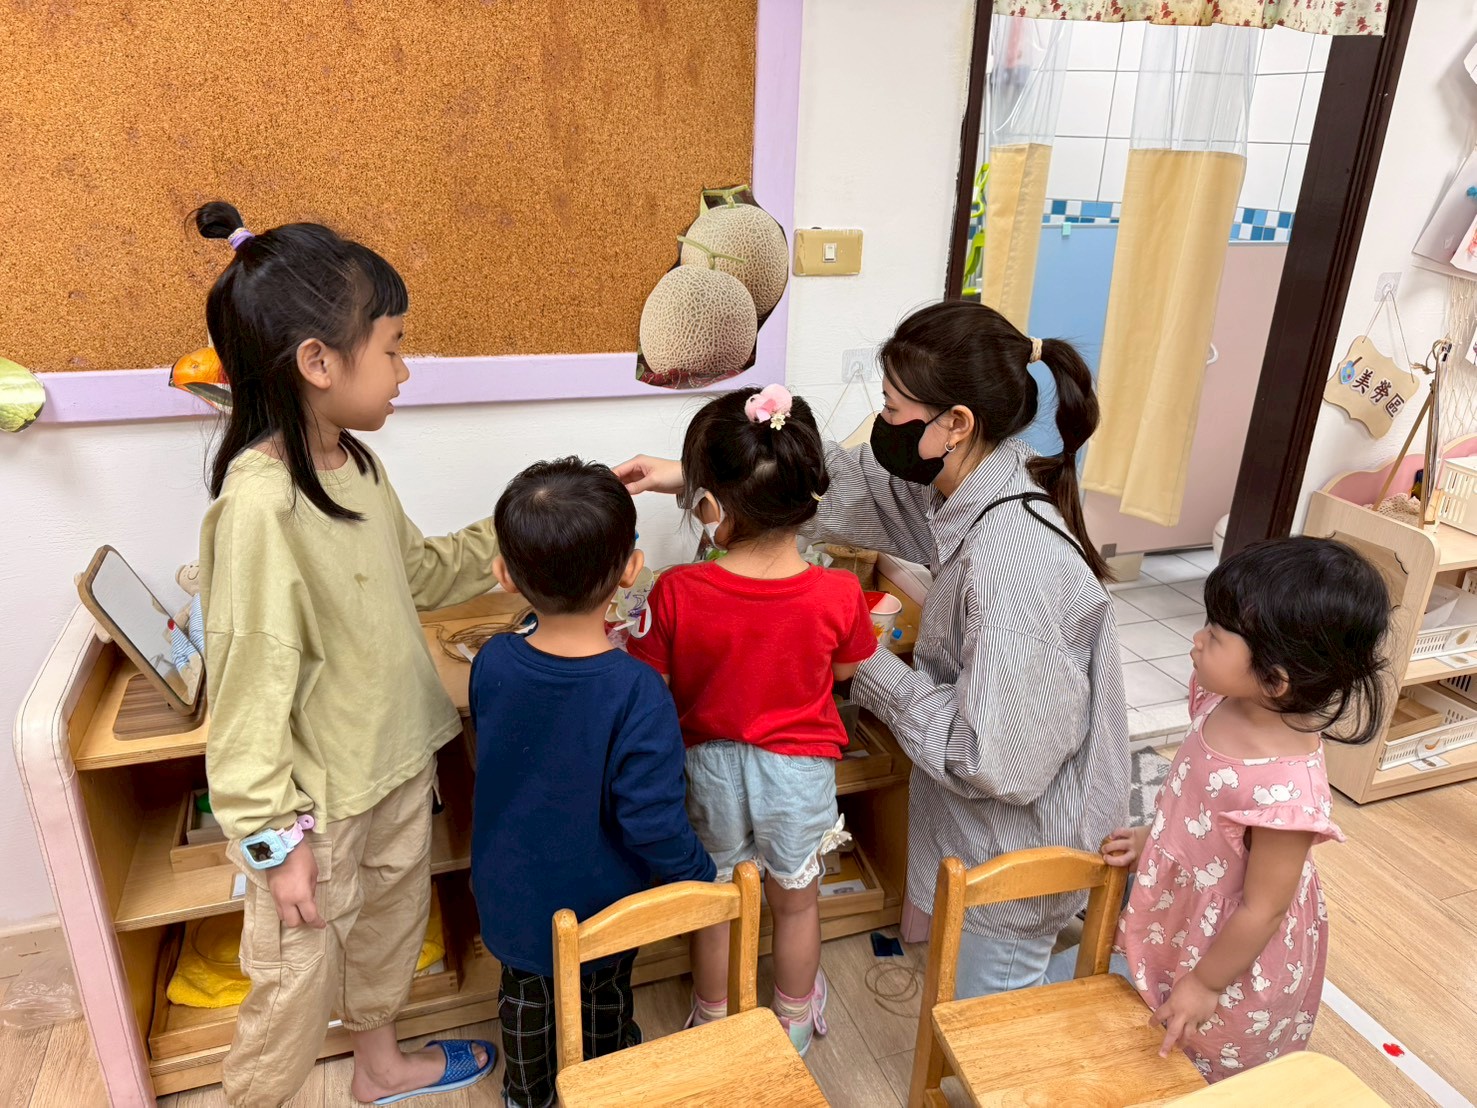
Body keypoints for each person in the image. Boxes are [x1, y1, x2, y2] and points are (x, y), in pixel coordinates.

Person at [617, 301, 1129, 997]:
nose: (880, 425)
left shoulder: (1014, 566)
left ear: (955, 424)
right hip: (948, 833)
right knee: (805, 904)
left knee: (988, 1031)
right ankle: (799, 1011)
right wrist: (701, 473)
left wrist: (864, 656)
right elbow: (850, 484)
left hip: (1015, 859)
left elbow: (998, 761)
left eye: (890, 408)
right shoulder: (964, 491)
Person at [195, 201, 497, 1106]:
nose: (405, 370)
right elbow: (246, 695)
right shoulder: (258, 506)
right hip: (317, 811)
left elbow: (419, 573)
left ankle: (379, 1067)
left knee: (385, 941)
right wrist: (273, 842)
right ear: (318, 362)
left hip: (397, 761)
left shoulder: (355, 465)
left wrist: (522, 531)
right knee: (293, 986)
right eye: (394, 347)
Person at [627, 385, 877, 1052]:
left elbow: (649, 682)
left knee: (717, 901)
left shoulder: (676, 590)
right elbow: (844, 673)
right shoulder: (839, 592)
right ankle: (792, 1018)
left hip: (707, 767)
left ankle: (713, 1015)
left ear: (710, 507)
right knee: (795, 902)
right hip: (798, 772)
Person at [469, 457, 715, 1108]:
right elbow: (651, 818)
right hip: (603, 906)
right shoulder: (638, 691)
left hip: (510, 894)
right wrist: (698, 875)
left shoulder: (492, 662)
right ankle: (604, 1086)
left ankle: (526, 1094)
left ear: (504, 574)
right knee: (603, 1001)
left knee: (525, 1000)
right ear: (632, 570)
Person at [1095, 537, 1387, 1081]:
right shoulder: (1219, 700)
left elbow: (1263, 910)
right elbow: (1193, 807)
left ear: (1275, 680)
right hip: (1180, 914)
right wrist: (1152, 837)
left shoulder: (1286, 791)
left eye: (1215, 635)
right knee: (1147, 1025)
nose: (1197, 640)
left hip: (1231, 951)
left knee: (1200, 1053)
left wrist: (1206, 983)